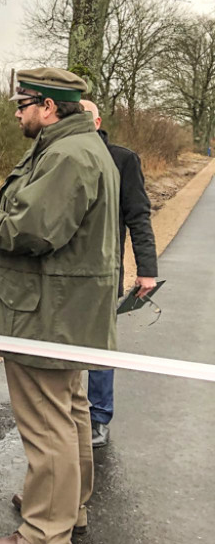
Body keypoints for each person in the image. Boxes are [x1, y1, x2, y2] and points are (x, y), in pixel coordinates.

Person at [0, 67, 119, 544]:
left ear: (49, 107)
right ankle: (67, 508)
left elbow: (34, 229)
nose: (16, 114)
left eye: (23, 104)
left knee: (46, 423)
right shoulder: (81, 147)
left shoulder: (68, 154)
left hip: (45, 312)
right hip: (63, 311)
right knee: (70, 413)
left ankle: (44, 533)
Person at [79, 100, 158, 448]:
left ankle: (98, 417)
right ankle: (64, 415)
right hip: (56, 274)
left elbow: (138, 216)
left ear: (97, 121)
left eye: (84, 118)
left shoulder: (122, 160)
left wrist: (146, 271)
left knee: (99, 347)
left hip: (103, 273)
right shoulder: (53, 156)